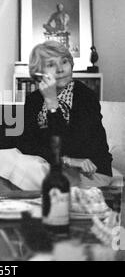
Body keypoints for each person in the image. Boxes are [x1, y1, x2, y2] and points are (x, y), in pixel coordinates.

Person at [17, 40, 112, 188]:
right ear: (38, 73)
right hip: (54, 165)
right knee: (6, 158)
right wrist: (66, 160)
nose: (60, 69)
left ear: (71, 65)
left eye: (64, 62)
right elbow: (28, 146)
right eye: (51, 65)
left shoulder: (85, 96)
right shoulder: (33, 100)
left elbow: (72, 145)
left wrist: (52, 104)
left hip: (91, 172)